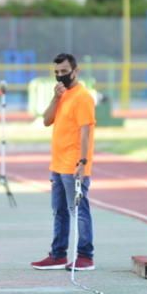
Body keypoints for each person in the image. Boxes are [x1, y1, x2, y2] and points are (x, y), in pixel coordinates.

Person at [30, 53, 96, 271]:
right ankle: (58, 254)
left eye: (64, 72)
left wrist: (83, 162)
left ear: (75, 72)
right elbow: (47, 120)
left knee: (79, 210)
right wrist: (55, 98)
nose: (60, 76)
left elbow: (86, 131)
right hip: (57, 164)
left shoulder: (82, 97)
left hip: (74, 164)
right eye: (57, 72)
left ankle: (85, 255)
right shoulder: (63, 95)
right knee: (59, 211)